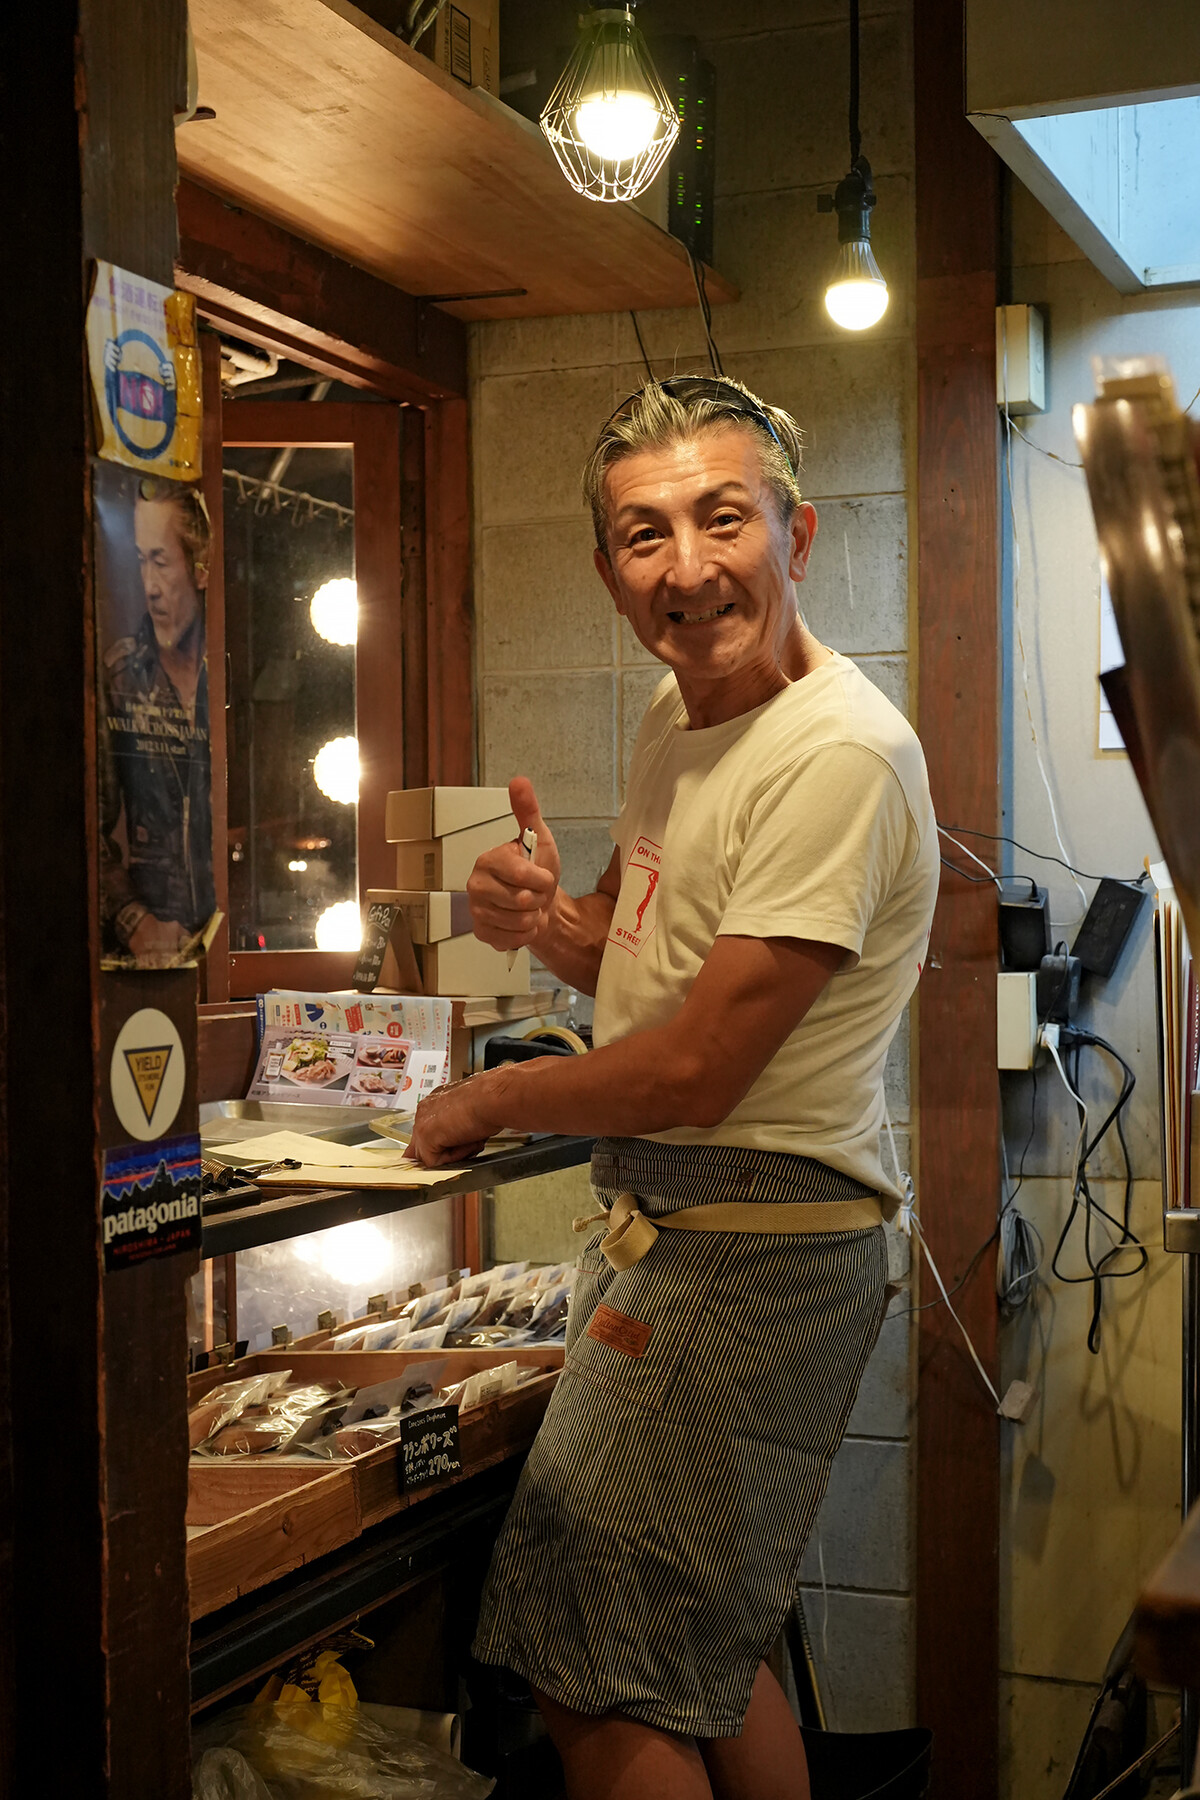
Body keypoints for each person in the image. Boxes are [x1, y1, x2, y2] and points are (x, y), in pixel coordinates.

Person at [409, 375, 940, 1800]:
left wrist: (488, 1103)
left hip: (747, 1240)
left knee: (586, 1654)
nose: (688, 569)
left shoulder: (839, 753)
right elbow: (637, 960)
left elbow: (701, 1069)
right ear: (608, 571)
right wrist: (540, 923)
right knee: (700, 1645)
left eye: (724, 520)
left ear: (797, 534)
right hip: (689, 1231)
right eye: (646, 535)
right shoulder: (677, 711)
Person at [100, 476, 215, 957]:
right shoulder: (122, 677)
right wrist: (135, 922)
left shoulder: (230, 676)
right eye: (141, 560)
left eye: (161, 562)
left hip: (234, 951)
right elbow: (88, 829)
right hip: (151, 960)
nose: (149, 587)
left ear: (200, 569)